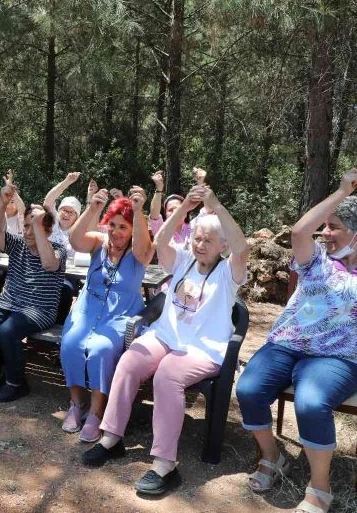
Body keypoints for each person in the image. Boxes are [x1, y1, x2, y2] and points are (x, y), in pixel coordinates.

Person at [83, 185, 248, 497]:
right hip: (166, 336)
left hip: (203, 348)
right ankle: (111, 437)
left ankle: (165, 464)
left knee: (168, 375)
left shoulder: (229, 270)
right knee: (130, 360)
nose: (200, 244)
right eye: (197, 238)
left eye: (209, 240)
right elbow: (160, 241)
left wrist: (216, 204)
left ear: (221, 245)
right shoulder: (183, 260)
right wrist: (184, 206)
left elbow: (241, 247)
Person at [236, 168, 357, 513]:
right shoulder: (318, 260)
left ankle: (319, 487)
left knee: (311, 402)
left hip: (343, 356)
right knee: (249, 389)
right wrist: (340, 191)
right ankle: (272, 456)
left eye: (334, 226)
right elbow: (299, 230)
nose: (326, 233)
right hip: (289, 343)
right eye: (325, 226)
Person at [60, 187, 153, 442]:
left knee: (101, 349)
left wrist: (137, 211)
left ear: (132, 229)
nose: (116, 232)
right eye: (112, 225)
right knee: (70, 344)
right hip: (88, 308)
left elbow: (146, 249)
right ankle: (76, 404)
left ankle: (96, 412)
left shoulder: (138, 252)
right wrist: (93, 207)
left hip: (119, 314)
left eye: (123, 227)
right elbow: (75, 240)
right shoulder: (98, 243)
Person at [0, 182, 67, 402]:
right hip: (9, 301)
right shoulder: (17, 244)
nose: (28, 231)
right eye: (26, 226)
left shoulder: (58, 250)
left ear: (48, 230)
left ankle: (16, 383)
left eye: (35, 226)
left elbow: (49, 264)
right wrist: (3, 203)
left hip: (40, 309)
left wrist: (39, 226)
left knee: (6, 332)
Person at [45, 172, 84, 322]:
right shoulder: (53, 222)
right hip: (45, 271)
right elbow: (48, 200)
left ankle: (57, 329)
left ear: (77, 216)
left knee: (64, 292)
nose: (66, 214)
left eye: (71, 212)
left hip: (67, 276)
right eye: (64, 210)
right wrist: (67, 181)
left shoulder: (79, 230)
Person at [148, 168, 209, 248]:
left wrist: (201, 182)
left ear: (186, 211)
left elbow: (208, 211)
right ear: (165, 214)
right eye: (170, 210)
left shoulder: (194, 226)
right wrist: (159, 188)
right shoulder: (161, 229)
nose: (174, 212)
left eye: (178, 209)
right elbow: (154, 215)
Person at [3, 169, 26, 236]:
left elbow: (23, 210)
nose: (9, 205)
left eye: (12, 202)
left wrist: (12, 190)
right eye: (7, 201)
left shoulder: (20, 218)